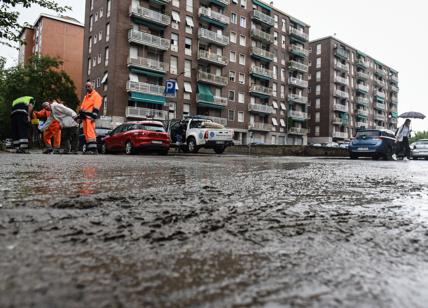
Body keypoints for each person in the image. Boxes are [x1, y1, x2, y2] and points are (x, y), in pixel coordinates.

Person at [78, 82, 102, 154]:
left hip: (90, 117)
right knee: (86, 133)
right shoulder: (86, 97)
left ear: (92, 87)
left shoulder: (96, 95)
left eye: (89, 86)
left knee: (91, 133)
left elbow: (96, 106)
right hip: (85, 118)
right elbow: (83, 107)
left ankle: (93, 150)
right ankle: (89, 149)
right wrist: (80, 116)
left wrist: (94, 116)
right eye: (86, 87)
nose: (87, 88)